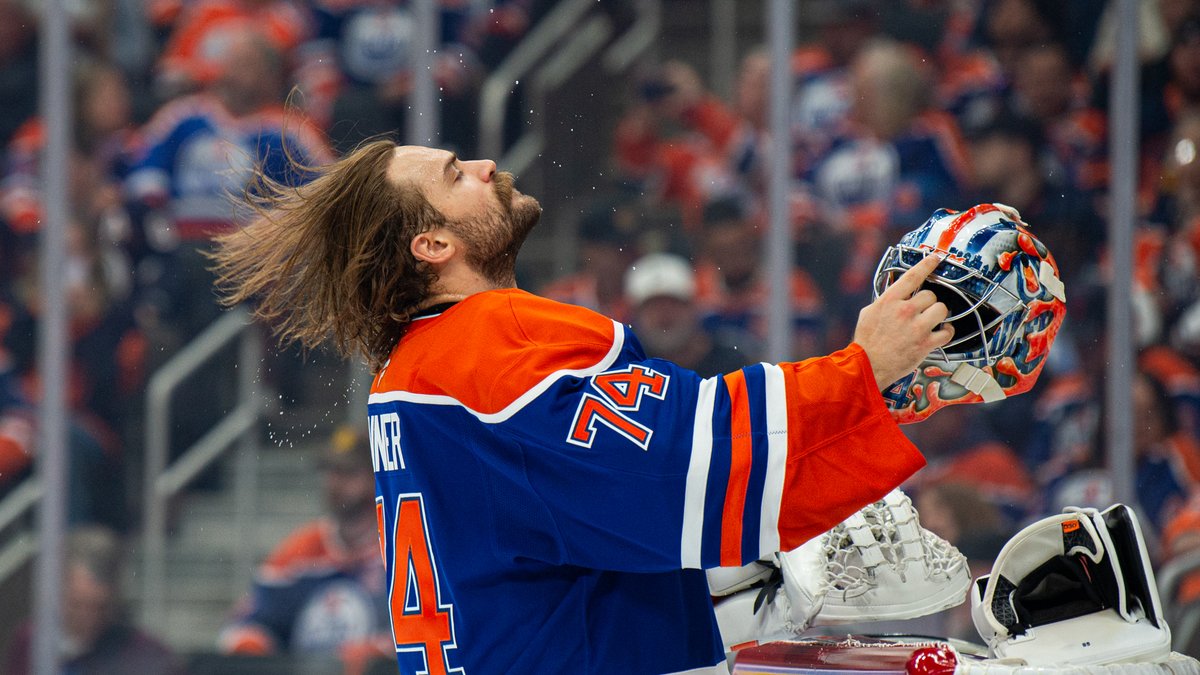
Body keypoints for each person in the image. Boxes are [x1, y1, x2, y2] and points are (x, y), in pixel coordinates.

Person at [209, 140, 954, 674]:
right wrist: (863, 371)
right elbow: (675, 468)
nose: (485, 165)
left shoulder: (410, 372)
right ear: (432, 242)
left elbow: (561, 548)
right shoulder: (488, 344)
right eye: (454, 173)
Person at [219, 424, 391, 670]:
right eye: (329, 471)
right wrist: (251, 647)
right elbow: (247, 623)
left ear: (377, 478)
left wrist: (380, 653)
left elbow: (432, 630)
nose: (333, 483)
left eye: (348, 472)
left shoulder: (399, 548)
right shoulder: (301, 549)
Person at [5, 526, 182, 674]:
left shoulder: (144, 652)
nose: (87, 619)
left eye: (99, 607)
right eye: (76, 605)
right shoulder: (30, 641)